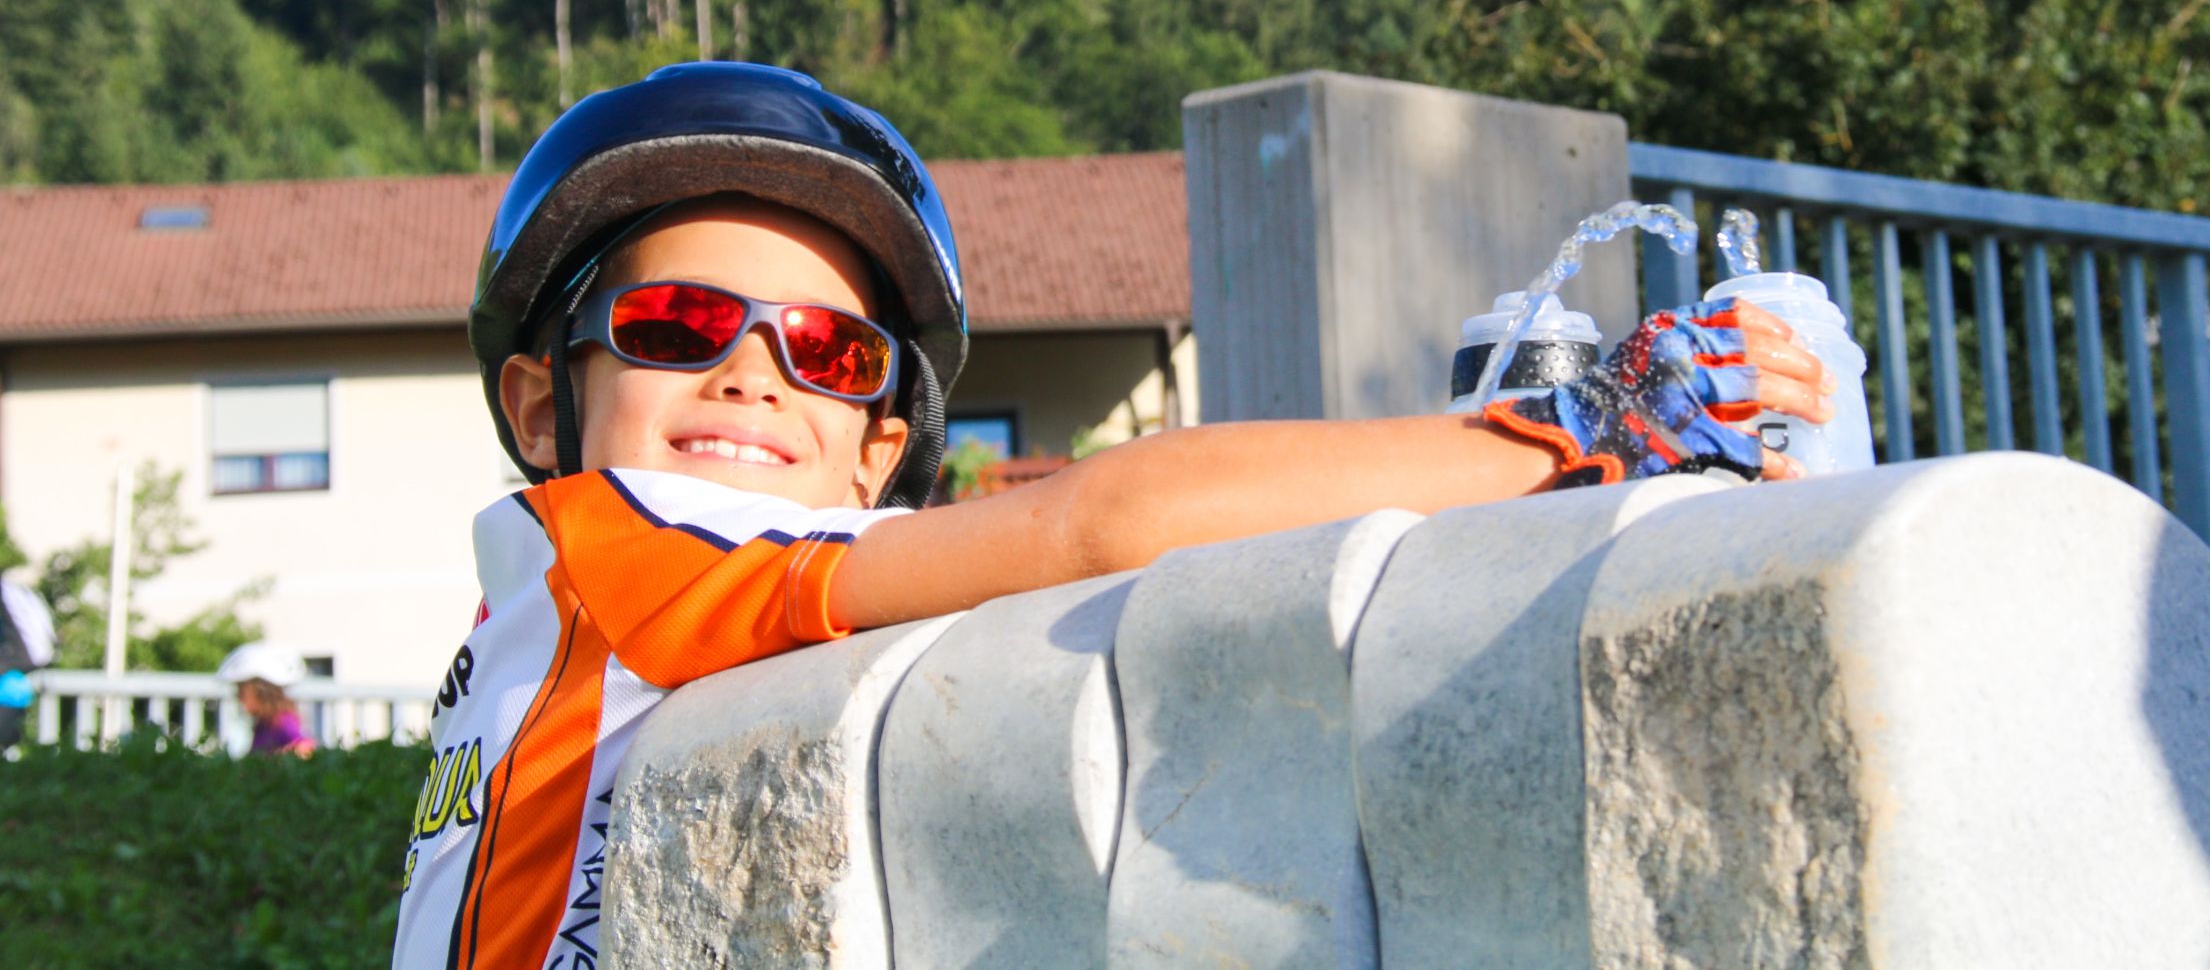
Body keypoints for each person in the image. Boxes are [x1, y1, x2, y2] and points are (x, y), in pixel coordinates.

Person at [392, 63, 1839, 969]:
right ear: (540, 407)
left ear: (877, 447)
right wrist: (1573, 436)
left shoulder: (565, 625)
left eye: (828, 351)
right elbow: (1102, 520)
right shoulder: (619, 538)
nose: (751, 372)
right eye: (676, 321)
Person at [217, 641, 318, 756]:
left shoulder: (282, 720)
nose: (238, 696)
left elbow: (306, 746)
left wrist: (279, 758)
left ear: (261, 690)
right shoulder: (264, 724)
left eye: (242, 690)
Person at [0, 571, 54, 753]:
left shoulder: (8, 591)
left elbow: (37, 651)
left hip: (15, 672)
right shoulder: (14, 589)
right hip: (18, 674)